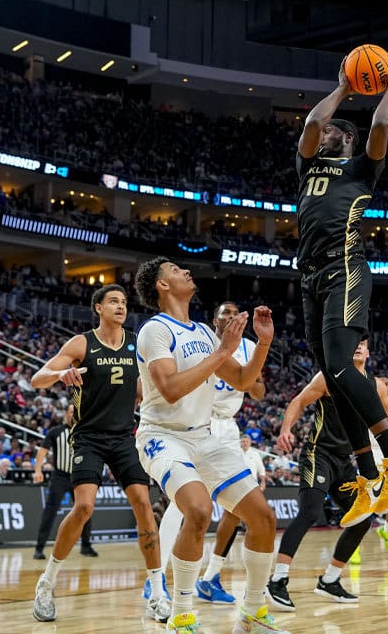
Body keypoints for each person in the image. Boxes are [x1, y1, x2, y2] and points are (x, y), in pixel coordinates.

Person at [295, 53, 388, 526]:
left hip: (344, 267)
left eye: (334, 130)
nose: (323, 130)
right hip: (307, 276)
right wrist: (344, 87)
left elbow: (380, 128)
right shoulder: (308, 165)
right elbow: (313, 122)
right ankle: (370, 475)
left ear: (345, 138)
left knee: (339, 366)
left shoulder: (360, 168)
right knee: (332, 380)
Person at [132, 257, 284, 634]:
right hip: (161, 436)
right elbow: (168, 390)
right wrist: (223, 350)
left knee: (263, 518)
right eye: (174, 270)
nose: (185, 271)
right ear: (162, 286)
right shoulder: (155, 330)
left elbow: (245, 379)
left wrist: (263, 343)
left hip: (203, 435)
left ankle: (252, 610)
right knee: (198, 510)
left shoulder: (201, 330)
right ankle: (182, 615)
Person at [28, 284, 162, 623]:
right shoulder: (81, 343)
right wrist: (61, 373)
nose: (121, 306)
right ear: (98, 308)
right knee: (84, 506)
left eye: (124, 302)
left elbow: (144, 389)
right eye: (113, 302)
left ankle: (158, 592)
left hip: (123, 437)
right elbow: (36, 379)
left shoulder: (136, 343)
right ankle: (48, 582)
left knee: (145, 507)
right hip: (88, 436)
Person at [270, 337, 388, 611]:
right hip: (317, 454)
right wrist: (286, 429)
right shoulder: (328, 376)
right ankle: (277, 580)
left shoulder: (375, 384)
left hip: (346, 461)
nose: (357, 345)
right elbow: (298, 401)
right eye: (353, 341)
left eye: (363, 343)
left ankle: (330, 579)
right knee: (309, 512)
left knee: (362, 518)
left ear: (368, 351)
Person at [152, 301, 267, 606]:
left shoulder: (246, 346)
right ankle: (157, 578)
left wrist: (254, 383)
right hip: (197, 421)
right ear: (215, 319)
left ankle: (211, 576)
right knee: (184, 506)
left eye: (234, 313)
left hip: (226, 426)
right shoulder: (199, 339)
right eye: (224, 313)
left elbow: (257, 389)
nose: (229, 317)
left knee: (237, 505)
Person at [32, 405, 96, 560]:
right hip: (59, 476)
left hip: (79, 476)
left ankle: (86, 546)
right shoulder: (55, 432)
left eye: (76, 413)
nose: (73, 415)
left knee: (85, 510)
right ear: (66, 414)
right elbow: (42, 452)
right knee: (50, 511)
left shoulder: (85, 431)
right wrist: (38, 470)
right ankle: (39, 548)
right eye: (71, 412)